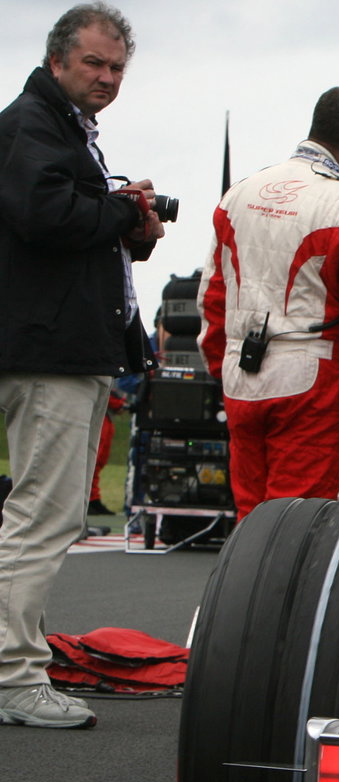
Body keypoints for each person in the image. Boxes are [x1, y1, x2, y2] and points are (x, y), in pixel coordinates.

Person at [1, 3, 164, 729]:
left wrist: (131, 225)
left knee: (42, 512)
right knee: (41, 515)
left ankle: (15, 664)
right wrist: (122, 213)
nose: (106, 77)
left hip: (66, 344)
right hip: (50, 350)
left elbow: (68, 221)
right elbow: (44, 214)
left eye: (117, 67)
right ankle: (13, 676)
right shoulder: (34, 122)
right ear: (58, 60)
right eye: (94, 64)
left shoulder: (62, 126)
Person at [198, 85, 339, 522]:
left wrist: (222, 365)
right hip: (310, 382)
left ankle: (242, 592)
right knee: (293, 525)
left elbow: (212, 295)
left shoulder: (240, 193)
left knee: (250, 520)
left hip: (241, 374)